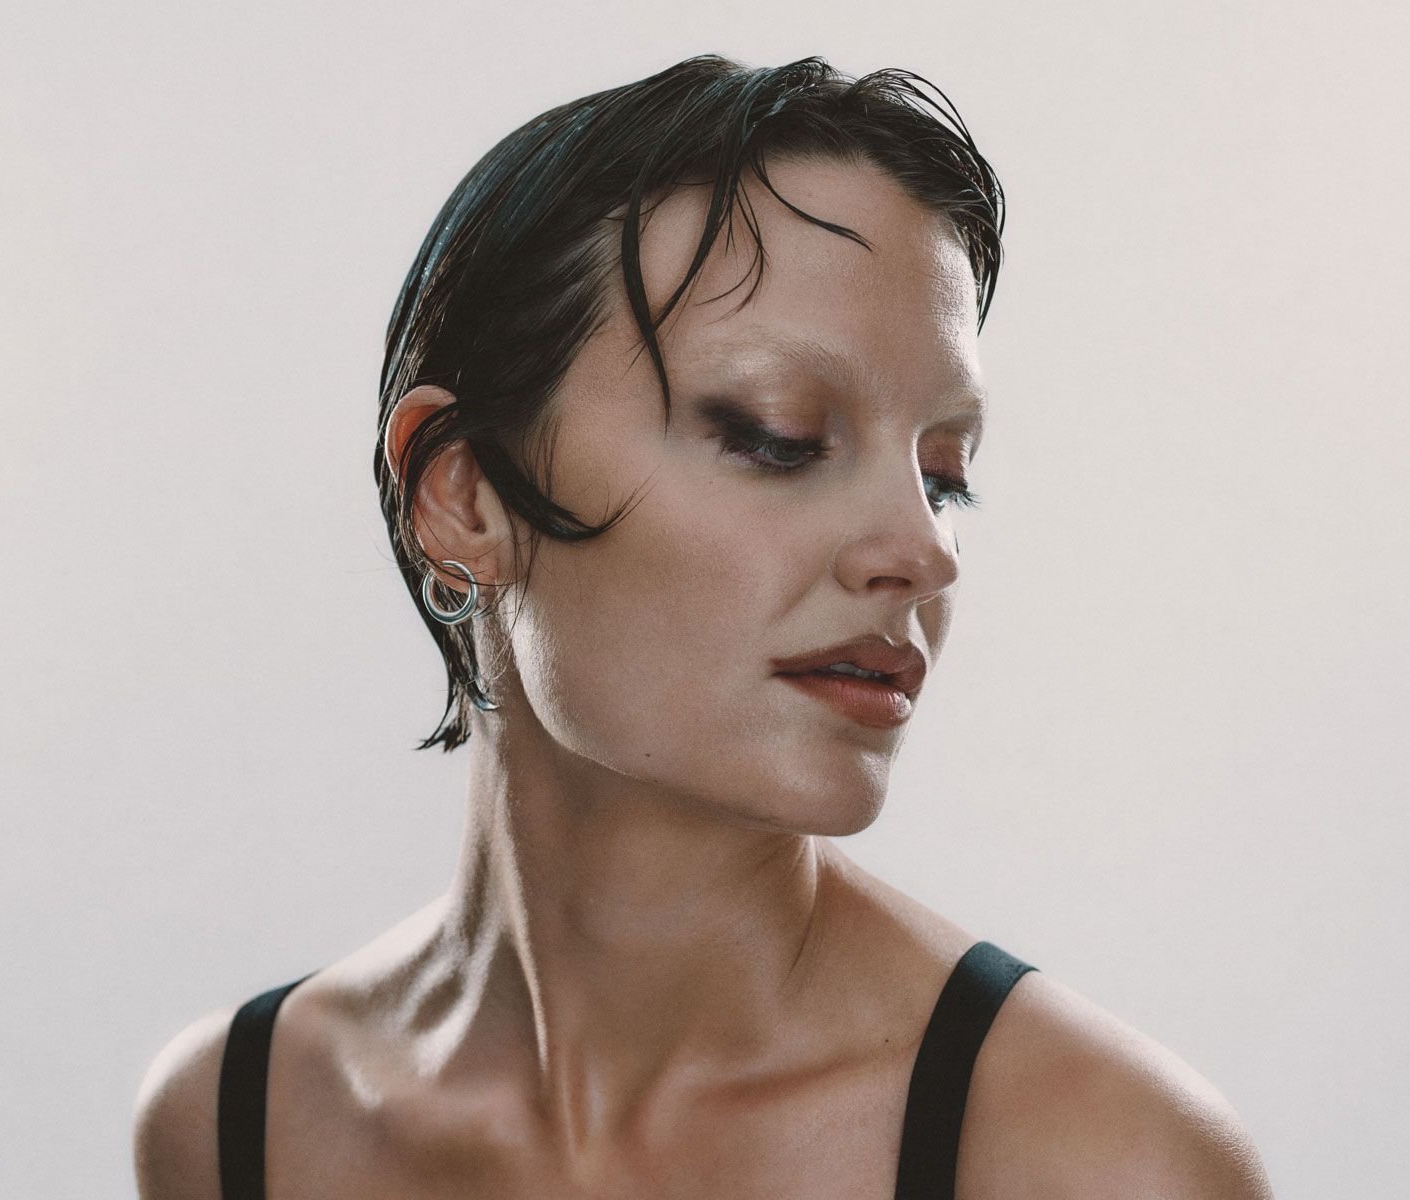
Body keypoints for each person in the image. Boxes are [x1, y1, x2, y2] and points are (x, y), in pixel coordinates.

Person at [132, 54, 1274, 1198]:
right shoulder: (236, 1124)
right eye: (780, 437)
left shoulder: (1098, 1159)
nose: (923, 551)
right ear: (463, 496)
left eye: (945, 475)